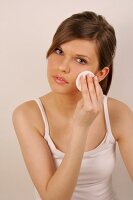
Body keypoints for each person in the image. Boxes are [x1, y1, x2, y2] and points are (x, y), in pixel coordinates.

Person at [12, 11, 133, 200]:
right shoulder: (27, 115)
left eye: (80, 60)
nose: (63, 67)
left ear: (100, 74)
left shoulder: (118, 113)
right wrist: (81, 128)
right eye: (59, 51)